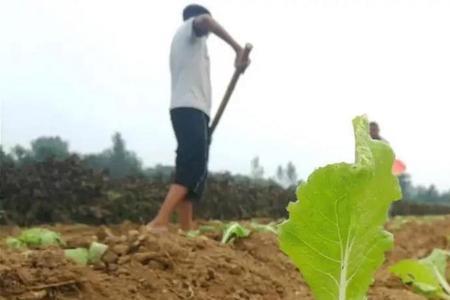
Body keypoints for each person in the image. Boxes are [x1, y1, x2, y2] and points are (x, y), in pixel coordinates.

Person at [147, 4, 250, 232]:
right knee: (192, 166)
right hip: (189, 108)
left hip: (193, 109)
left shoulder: (192, 45)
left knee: (194, 168)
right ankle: (160, 221)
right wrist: (236, 49)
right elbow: (205, 21)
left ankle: (186, 227)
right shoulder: (189, 30)